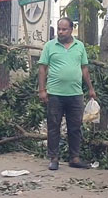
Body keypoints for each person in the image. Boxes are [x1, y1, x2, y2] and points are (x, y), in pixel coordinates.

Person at [38, 17, 97, 170]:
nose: (61, 32)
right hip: (55, 94)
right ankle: (54, 158)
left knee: (75, 127)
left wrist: (90, 88)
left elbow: (84, 68)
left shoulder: (79, 46)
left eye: (64, 29)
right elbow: (42, 68)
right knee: (53, 126)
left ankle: (75, 158)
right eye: (59, 29)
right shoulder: (50, 46)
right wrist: (42, 90)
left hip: (75, 94)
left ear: (71, 30)